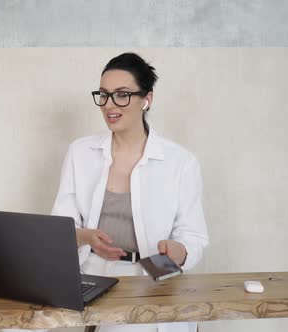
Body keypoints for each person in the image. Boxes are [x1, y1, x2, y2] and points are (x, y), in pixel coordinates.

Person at [50, 53, 209, 332]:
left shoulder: (181, 162)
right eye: (104, 94)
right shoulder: (80, 152)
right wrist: (86, 236)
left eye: (122, 95)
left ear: (147, 99)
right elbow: (60, 227)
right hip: (93, 273)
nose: (109, 104)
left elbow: (194, 237)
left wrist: (178, 251)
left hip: (151, 278)